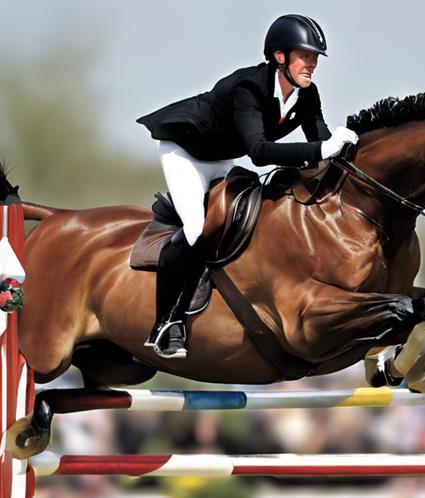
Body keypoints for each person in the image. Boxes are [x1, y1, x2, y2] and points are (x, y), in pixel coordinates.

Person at [137, 14, 358, 359]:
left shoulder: (306, 94)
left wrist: (345, 148)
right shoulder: (250, 88)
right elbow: (258, 152)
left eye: (315, 58)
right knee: (197, 230)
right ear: (280, 56)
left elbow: (321, 143)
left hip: (222, 158)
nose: (312, 64)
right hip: (187, 151)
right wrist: (319, 150)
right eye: (306, 56)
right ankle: (166, 323)